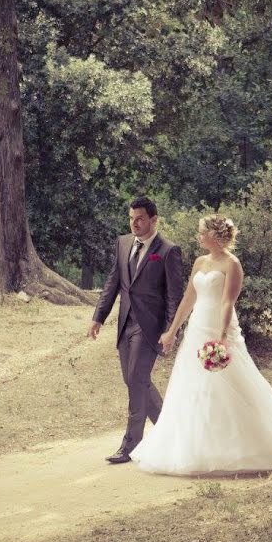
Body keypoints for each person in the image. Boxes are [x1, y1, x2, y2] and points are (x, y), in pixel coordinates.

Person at [130, 214, 272, 475]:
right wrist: (172, 331)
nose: (199, 236)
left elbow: (228, 302)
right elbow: (188, 300)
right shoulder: (200, 262)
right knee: (193, 386)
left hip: (218, 328)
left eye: (202, 232)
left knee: (229, 385)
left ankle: (246, 446)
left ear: (215, 235)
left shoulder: (232, 264)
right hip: (196, 329)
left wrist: (222, 337)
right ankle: (196, 448)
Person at [87, 197, 183, 464]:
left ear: (154, 220)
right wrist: (98, 317)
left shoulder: (168, 251)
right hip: (124, 324)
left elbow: (175, 295)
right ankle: (171, 432)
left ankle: (130, 445)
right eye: (131, 218)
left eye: (140, 218)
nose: (134, 223)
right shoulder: (123, 243)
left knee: (136, 377)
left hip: (150, 328)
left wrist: (172, 330)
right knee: (134, 381)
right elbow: (113, 282)